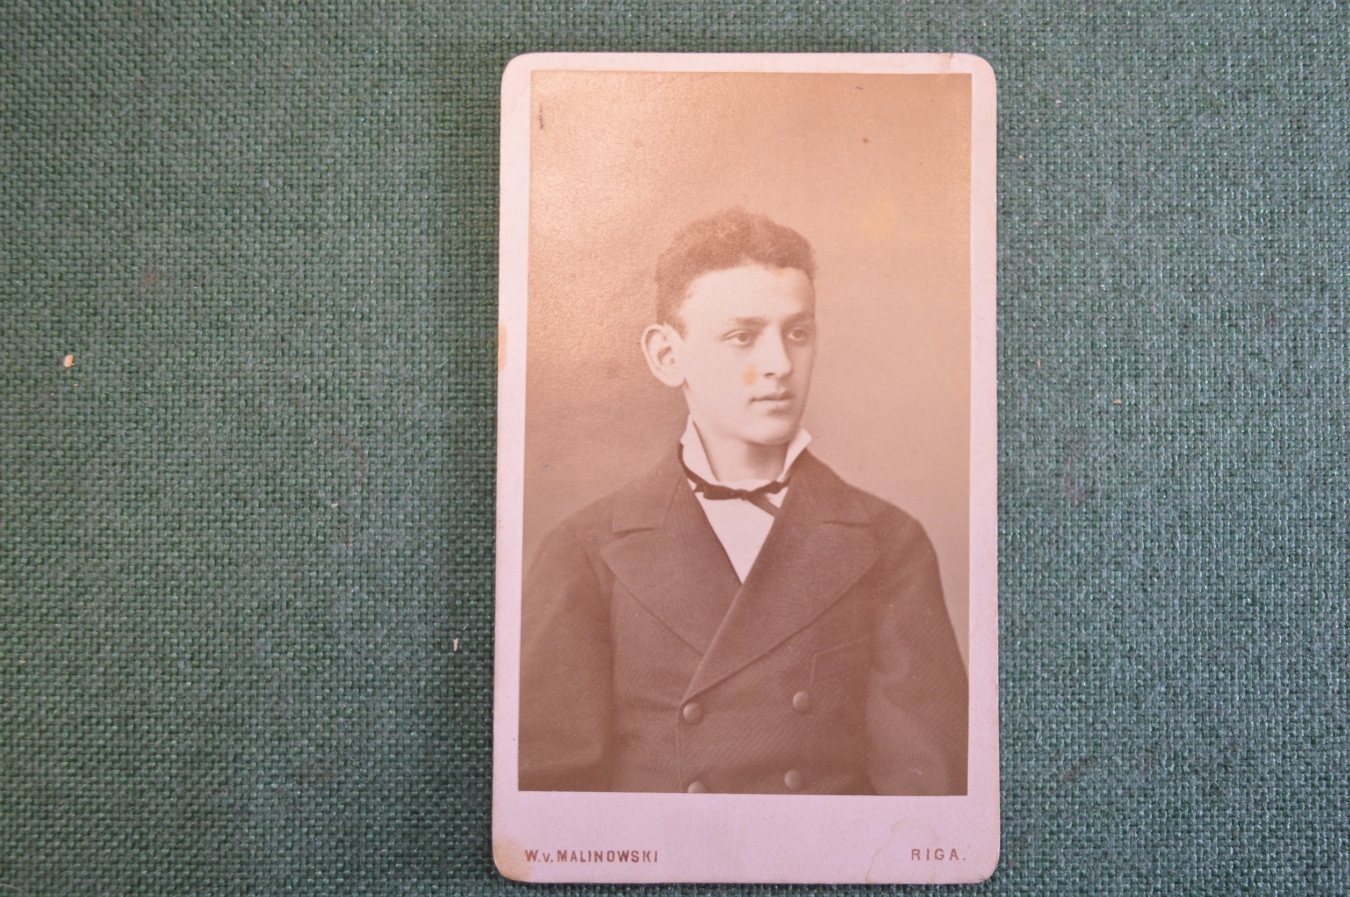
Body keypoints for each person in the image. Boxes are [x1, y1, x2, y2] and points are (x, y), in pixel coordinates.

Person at [518, 208, 967, 795]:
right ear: (667, 356)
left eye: (798, 333)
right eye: (742, 336)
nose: (780, 365)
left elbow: (926, 794)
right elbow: (552, 804)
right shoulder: (584, 551)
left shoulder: (889, 543)